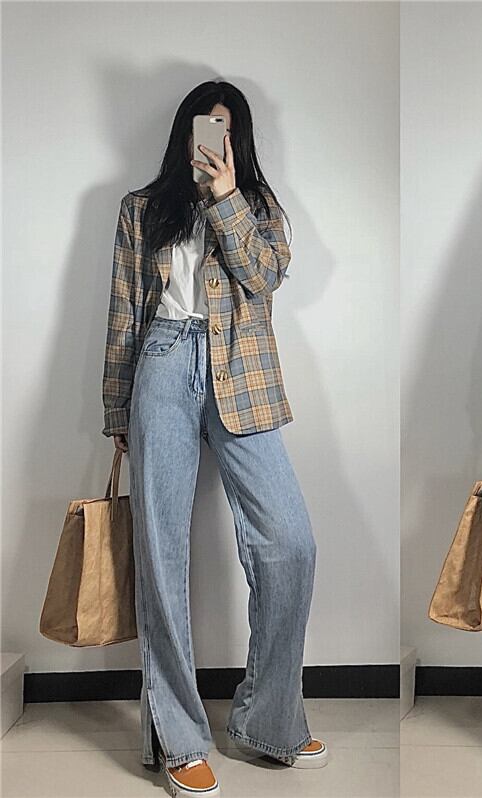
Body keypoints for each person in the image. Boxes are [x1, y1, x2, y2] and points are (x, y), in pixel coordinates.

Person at [101, 80, 327, 798]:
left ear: (240, 141)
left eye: (227, 131)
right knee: (161, 554)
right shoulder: (142, 209)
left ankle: (268, 720)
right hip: (163, 364)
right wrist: (117, 414)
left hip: (243, 371)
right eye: (206, 127)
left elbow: (265, 277)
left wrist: (226, 197)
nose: (215, 141)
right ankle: (176, 738)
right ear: (185, 133)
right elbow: (124, 314)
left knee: (291, 544)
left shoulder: (259, 208)